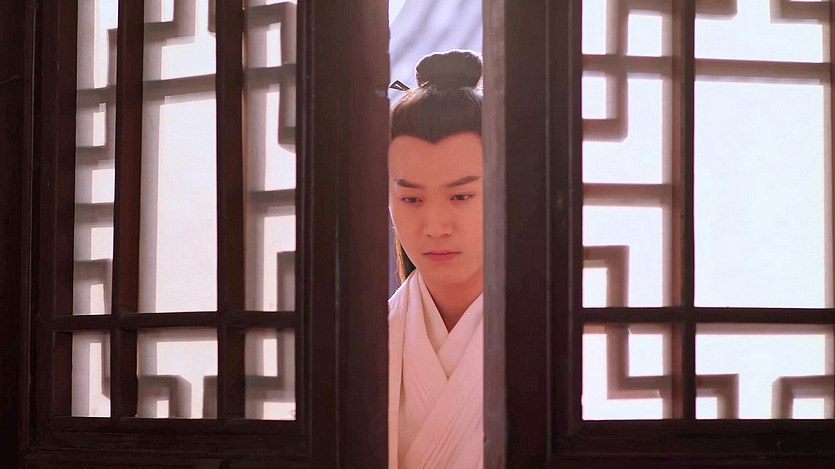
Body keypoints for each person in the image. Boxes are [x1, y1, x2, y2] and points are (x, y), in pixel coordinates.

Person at [387, 49, 484, 469]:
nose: (435, 226)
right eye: (411, 199)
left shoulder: (560, 342)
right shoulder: (363, 344)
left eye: (461, 196)